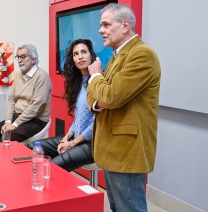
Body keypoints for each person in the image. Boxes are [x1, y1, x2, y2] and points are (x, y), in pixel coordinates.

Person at [86, 3, 161, 212]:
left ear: (125, 25)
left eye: (106, 25)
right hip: (112, 149)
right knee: (118, 207)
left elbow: (110, 97)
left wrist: (95, 76)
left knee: (129, 208)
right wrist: (98, 94)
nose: (100, 30)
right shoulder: (117, 56)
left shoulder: (142, 55)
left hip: (126, 151)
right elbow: (95, 97)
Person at [29, 39, 95, 171]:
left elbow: (96, 123)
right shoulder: (78, 83)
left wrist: (72, 143)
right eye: (76, 54)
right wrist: (65, 139)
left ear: (91, 55)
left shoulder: (98, 82)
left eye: (84, 52)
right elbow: (79, 119)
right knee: (32, 148)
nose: (80, 56)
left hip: (92, 144)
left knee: (51, 168)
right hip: (76, 139)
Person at [0, 44, 52, 143]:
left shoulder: (42, 76)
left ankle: (4, 158)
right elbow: (11, 99)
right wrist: (8, 121)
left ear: (33, 59)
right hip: (17, 117)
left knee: (6, 137)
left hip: (36, 120)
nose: (19, 60)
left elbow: (37, 106)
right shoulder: (18, 75)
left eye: (23, 56)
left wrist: (15, 124)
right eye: (18, 57)